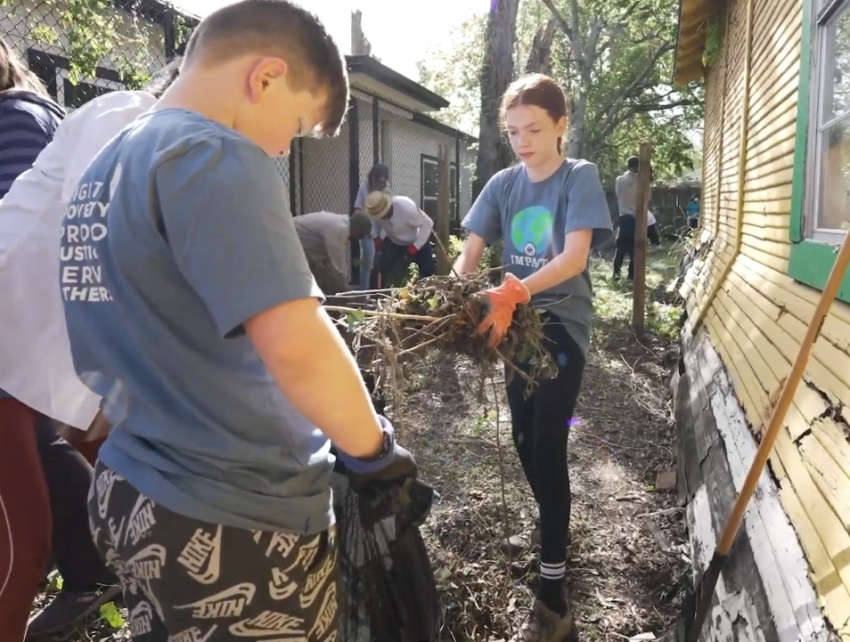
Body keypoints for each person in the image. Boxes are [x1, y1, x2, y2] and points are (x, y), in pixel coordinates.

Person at [59, 2, 416, 640]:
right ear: (267, 77)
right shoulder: (210, 152)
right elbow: (297, 345)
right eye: (297, 126)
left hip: (136, 488)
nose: (281, 148)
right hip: (237, 520)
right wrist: (375, 449)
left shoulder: (103, 170)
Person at [0, 59, 182, 640]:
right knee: (21, 545)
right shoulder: (118, 121)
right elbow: (91, 245)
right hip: (13, 351)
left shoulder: (26, 120)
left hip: (24, 354)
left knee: (30, 535)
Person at [453, 73, 612, 641]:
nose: (522, 140)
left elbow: (573, 258)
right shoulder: (501, 183)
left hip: (561, 328)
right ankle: (554, 526)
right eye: (512, 130)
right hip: (514, 328)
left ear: (561, 126)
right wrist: (448, 301)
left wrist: (515, 288)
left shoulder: (578, 177)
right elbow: (467, 256)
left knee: (549, 441)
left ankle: (552, 586)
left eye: (534, 129)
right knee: (523, 441)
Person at [0, 37, 122, 642]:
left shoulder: (15, 121)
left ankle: (99, 571)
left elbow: (21, 235)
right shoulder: (37, 115)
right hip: (35, 344)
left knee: (20, 538)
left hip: (19, 339)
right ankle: (100, 570)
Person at [364, 190, 436, 286]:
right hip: (393, 241)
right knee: (379, 268)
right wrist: (377, 239)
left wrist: (415, 247)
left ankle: (429, 294)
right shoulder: (375, 211)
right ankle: (374, 296)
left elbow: (428, 224)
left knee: (428, 271)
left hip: (415, 241)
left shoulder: (407, 208)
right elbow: (375, 224)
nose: (381, 218)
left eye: (383, 215)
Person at [294, 210, 373, 295]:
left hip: (298, 244)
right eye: (363, 234)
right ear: (357, 229)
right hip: (290, 238)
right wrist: (346, 291)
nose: (362, 237)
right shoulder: (340, 229)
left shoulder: (342, 223)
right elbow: (338, 266)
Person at [353, 163, 389, 288]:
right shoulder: (364, 188)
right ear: (372, 178)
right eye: (378, 180)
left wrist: (382, 237)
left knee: (378, 263)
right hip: (366, 231)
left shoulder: (385, 192)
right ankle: (363, 294)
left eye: (383, 181)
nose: (380, 184)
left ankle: (377, 291)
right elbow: (357, 208)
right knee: (367, 263)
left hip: (381, 232)